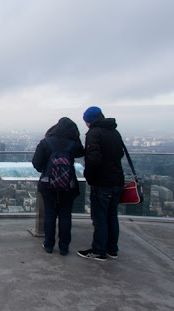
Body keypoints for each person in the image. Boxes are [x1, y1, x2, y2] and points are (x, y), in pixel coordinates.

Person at [77, 106, 125, 261]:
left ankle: (99, 250)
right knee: (112, 216)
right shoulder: (114, 131)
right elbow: (120, 154)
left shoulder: (94, 133)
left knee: (99, 217)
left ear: (88, 120)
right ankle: (112, 249)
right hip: (117, 179)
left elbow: (93, 160)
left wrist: (89, 177)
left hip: (102, 181)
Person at [32, 117, 84, 256]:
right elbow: (82, 152)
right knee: (65, 216)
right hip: (69, 185)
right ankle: (64, 247)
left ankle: (49, 245)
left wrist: (46, 169)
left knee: (50, 214)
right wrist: (76, 137)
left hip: (48, 185)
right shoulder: (74, 144)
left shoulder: (45, 143)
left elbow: (36, 163)